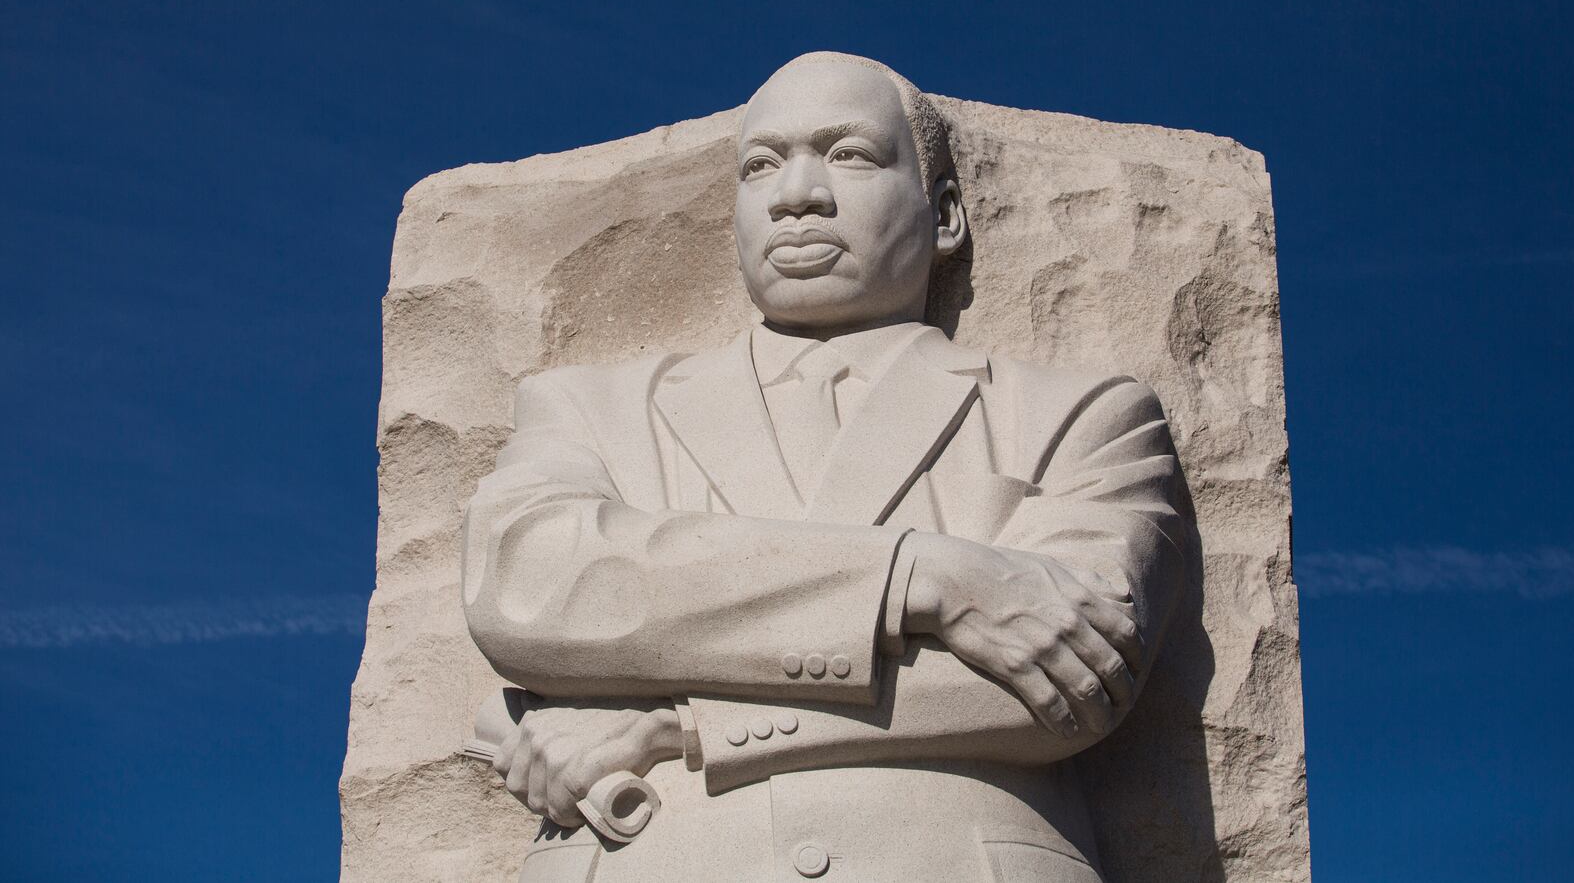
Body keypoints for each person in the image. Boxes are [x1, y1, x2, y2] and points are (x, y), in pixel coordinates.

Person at [462, 52, 1189, 882]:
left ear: (944, 213)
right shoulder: (593, 408)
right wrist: (923, 576)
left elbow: (1074, 676)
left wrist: (680, 722)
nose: (796, 192)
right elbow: (527, 587)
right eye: (761, 164)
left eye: (849, 154)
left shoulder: (1082, 413)